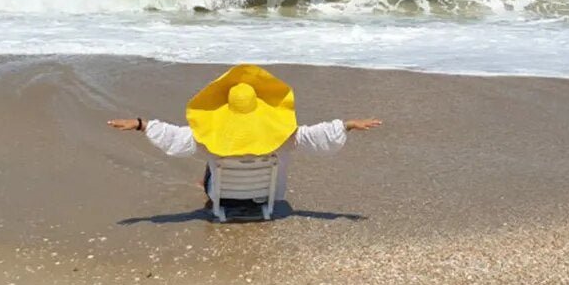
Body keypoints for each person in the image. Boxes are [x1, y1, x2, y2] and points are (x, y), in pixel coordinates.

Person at [108, 64, 382, 206]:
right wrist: (347, 125)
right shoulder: (285, 136)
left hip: (223, 195)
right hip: (266, 195)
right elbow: (315, 136)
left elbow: (176, 138)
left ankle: (207, 185)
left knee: (209, 157)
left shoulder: (207, 140)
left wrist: (141, 123)